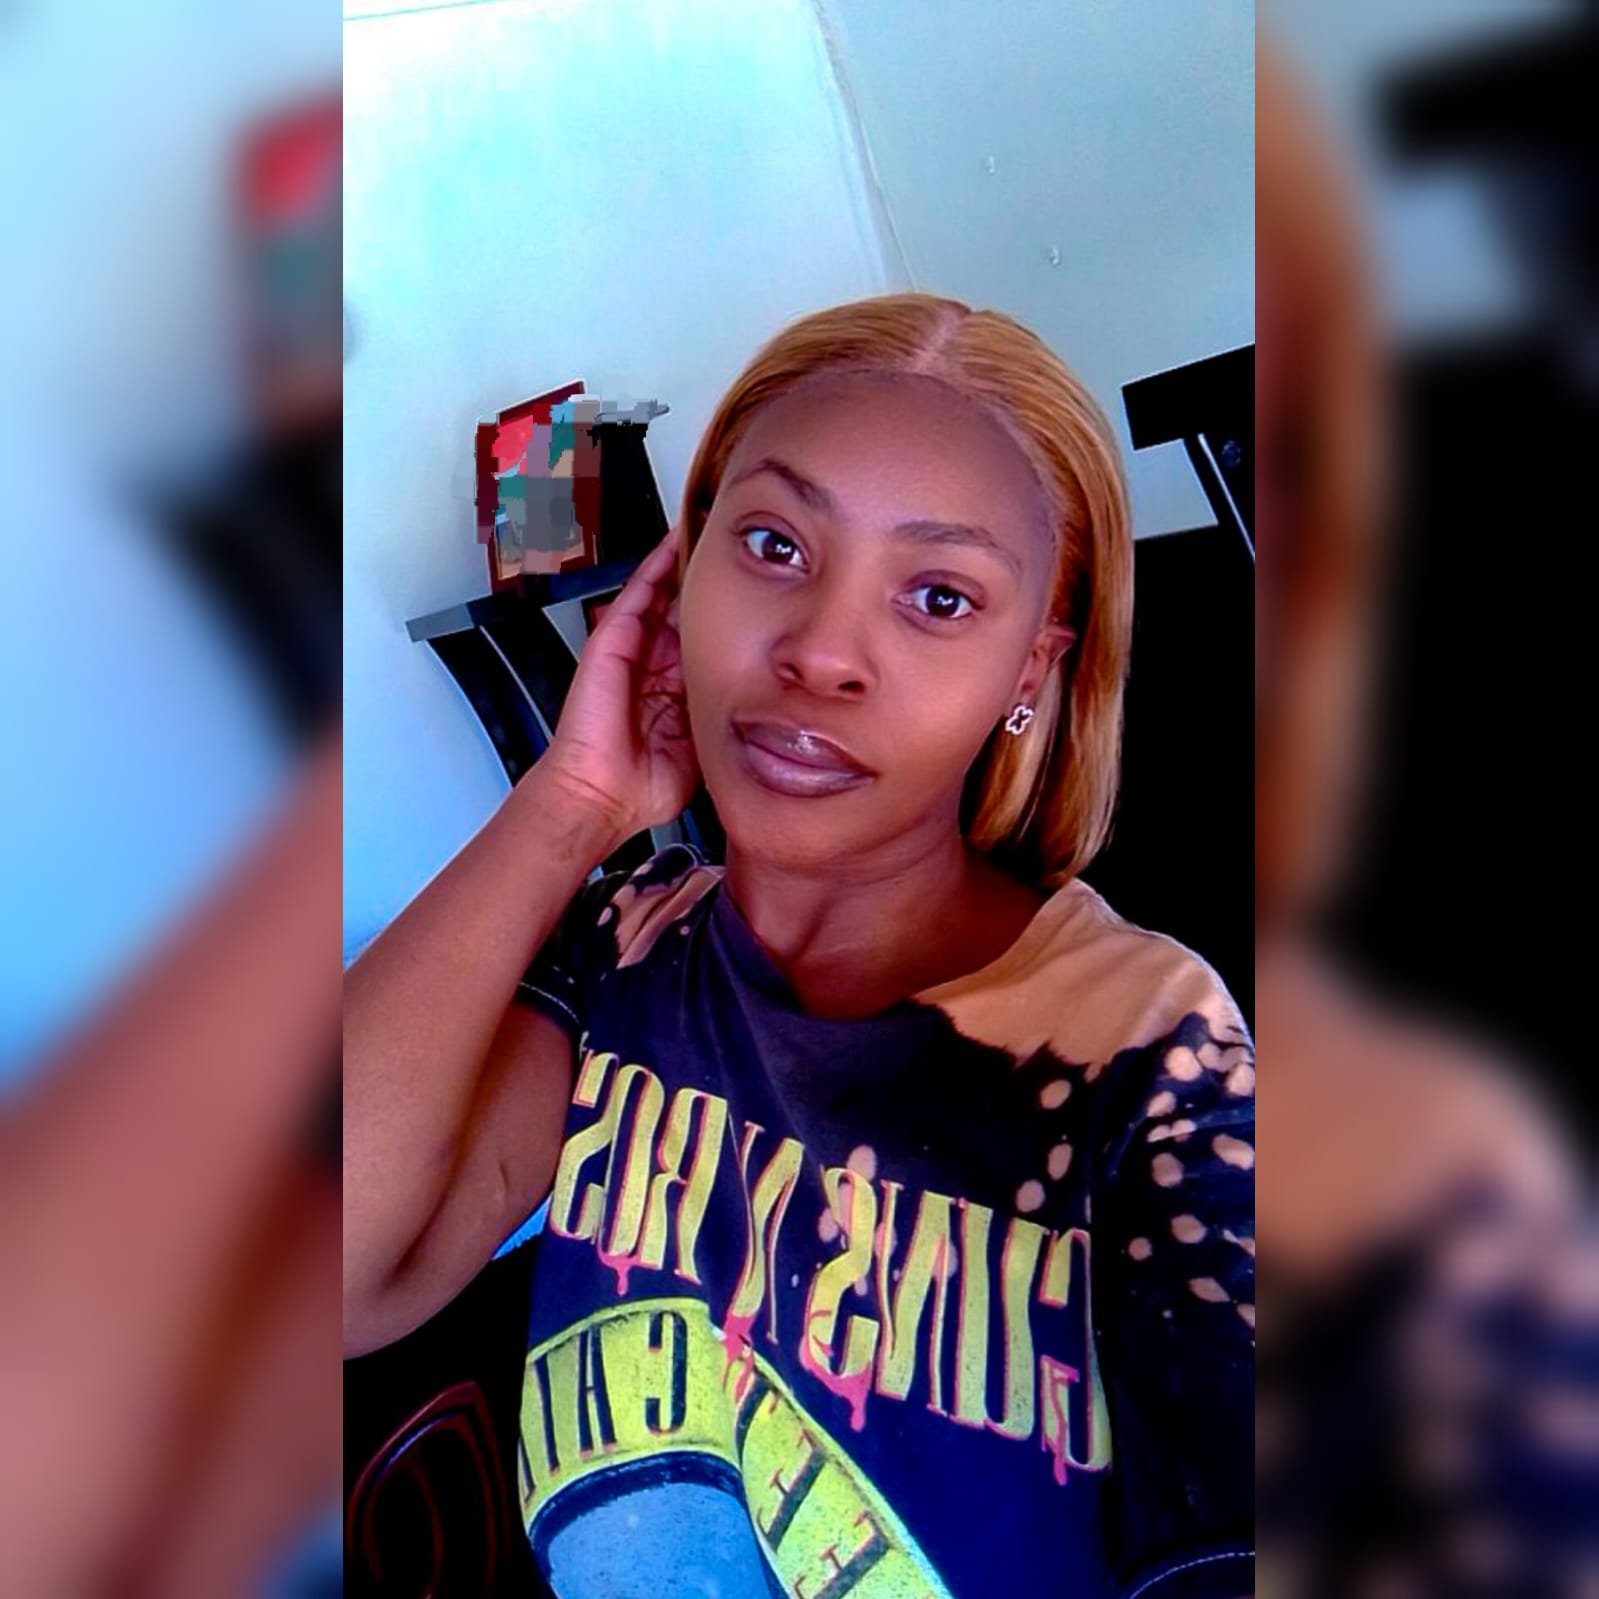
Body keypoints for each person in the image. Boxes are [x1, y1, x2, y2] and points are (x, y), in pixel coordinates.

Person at [344, 293, 1254, 1599]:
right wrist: (567, 806)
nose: (823, 652)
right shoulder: (629, 940)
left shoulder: (1145, 1056)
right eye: (773, 545)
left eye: (938, 596)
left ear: (1029, 673)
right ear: (681, 583)